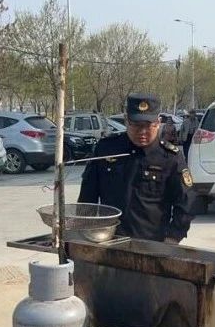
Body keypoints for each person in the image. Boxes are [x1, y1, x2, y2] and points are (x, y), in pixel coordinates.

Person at [78, 92, 196, 242]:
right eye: (136, 126)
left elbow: (187, 201)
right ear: (127, 121)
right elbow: (87, 197)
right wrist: (84, 230)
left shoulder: (170, 157)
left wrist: (174, 236)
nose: (142, 132)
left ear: (158, 123)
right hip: (109, 240)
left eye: (148, 126)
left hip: (153, 243)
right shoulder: (106, 149)